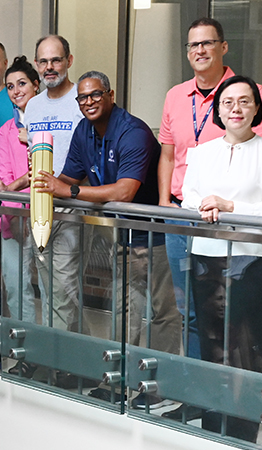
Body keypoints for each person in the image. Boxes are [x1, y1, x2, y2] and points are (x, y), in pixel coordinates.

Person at [33, 72, 182, 356]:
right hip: (121, 236)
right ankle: (118, 377)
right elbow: (68, 178)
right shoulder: (83, 131)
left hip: (155, 237)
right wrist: (30, 185)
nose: (89, 102)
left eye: (96, 94)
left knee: (164, 311)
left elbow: (124, 192)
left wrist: (69, 192)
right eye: (83, 97)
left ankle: (161, 385)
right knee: (125, 310)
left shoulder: (133, 132)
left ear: (111, 96)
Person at [158, 17, 262, 355]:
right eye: (193, 45)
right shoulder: (175, 96)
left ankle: (228, 396)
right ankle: (199, 394)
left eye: (207, 43)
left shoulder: (247, 93)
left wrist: (233, 206)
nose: (200, 50)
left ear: (223, 47)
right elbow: (168, 154)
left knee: (230, 316)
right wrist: (164, 203)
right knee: (188, 310)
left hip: (231, 222)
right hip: (185, 214)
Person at [182, 74, 262, 442]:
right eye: (227, 102)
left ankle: (243, 432)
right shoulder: (201, 152)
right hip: (206, 256)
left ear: (257, 108)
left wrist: (229, 207)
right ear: (218, 110)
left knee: (246, 345)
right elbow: (188, 198)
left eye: (245, 101)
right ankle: (214, 427)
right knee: (211, 343)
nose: (236, 108)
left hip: (249, 259)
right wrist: (205, 206)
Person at [24, 35, 83, 333]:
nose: (50, 67)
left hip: (71, 206)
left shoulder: (80, 102)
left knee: (64, 290)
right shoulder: (32, 107)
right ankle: (63, 354)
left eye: (56, 60)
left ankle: (62, 364)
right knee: (48, 288)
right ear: (36, 65)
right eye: (44, 61)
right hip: (40, 206)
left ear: (69, 61)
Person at [0, 57, 40, 322]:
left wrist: (32, 138)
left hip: (48, 215)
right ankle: (26, 352)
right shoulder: (6, 130)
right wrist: (16, 213)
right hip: (13, 217)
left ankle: (64, 352)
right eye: (10, 86)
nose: (16, 91)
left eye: (22, 84)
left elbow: (46, 172)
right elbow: (5, 175)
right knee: (16, 288)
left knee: (59, 293)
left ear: (36, 86)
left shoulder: (49, 125)